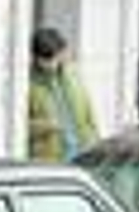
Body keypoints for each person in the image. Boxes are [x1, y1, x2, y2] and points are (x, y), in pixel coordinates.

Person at [27, 28, 99, 161]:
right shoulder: (29, 84)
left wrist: (95, 142)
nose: (52, 64)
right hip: (50, 160)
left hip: (82, 154)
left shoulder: (73, 77)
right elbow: (20, 127)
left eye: (55, 57)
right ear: (35, 57)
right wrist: (46, 125)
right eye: (47, 59)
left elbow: (89, 115)